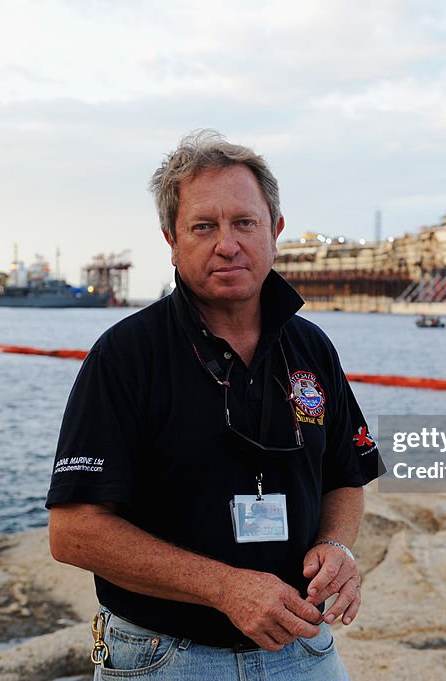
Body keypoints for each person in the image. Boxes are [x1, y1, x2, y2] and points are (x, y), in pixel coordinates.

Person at [46, 130, 382, 680]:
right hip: (165, 655)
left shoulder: (312, 347)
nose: (227, 244)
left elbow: (346, 474)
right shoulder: (126, 356)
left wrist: (335, 544)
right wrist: (226, 588)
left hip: (304, 648)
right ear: (171, 240)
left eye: (244, 223)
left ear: (274, 231)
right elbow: (74, 531)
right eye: (204, 226)